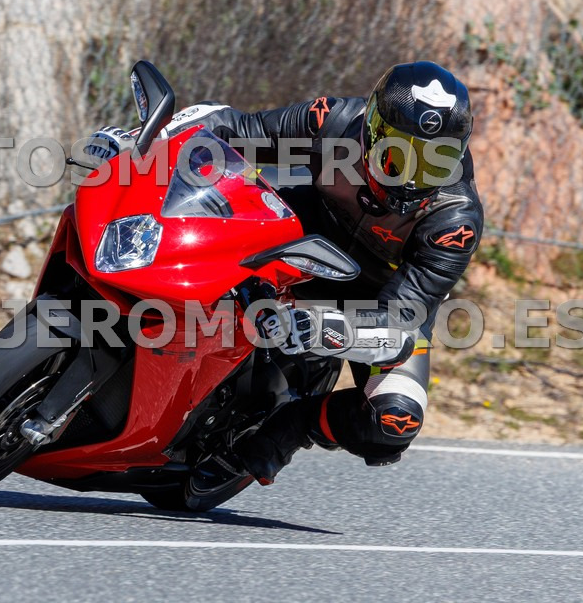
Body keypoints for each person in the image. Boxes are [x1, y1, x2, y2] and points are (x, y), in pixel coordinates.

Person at [84, 61, 484, 484]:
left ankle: (295, 425)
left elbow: (400, 323)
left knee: (394, 422)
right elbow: (234, 128)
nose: (413, 181)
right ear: (370, 132)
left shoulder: (455, 221)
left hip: (377, 302)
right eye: (398, 157)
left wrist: (329, 328)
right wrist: (138, 144)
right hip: (299, 233)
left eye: (436, 164)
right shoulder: (332, 122)